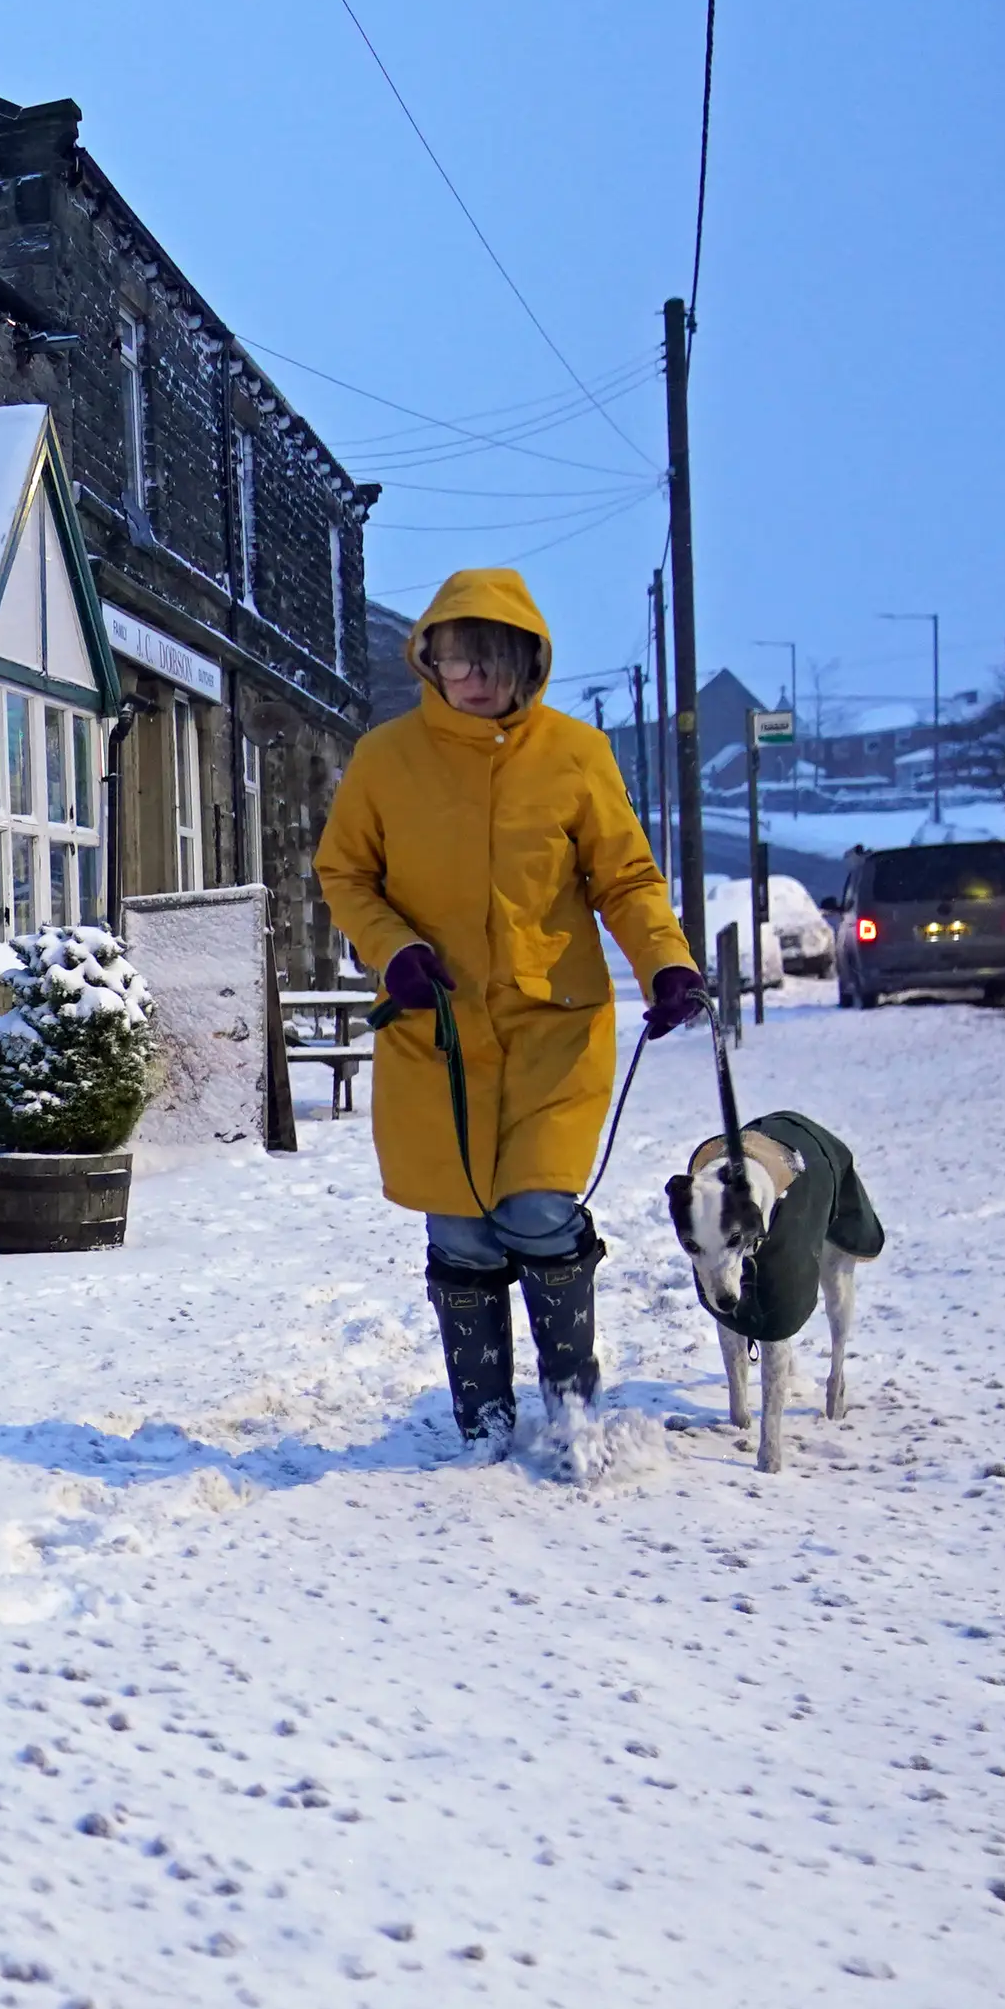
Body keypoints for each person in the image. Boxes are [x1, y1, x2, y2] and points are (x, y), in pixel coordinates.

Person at [316, 568, 705, 1447]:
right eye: (459, 659)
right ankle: (483, 1417)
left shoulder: (577, 754)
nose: (476, 677)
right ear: (432, 661)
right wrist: (395, 951)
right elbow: (345, 874)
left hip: (552, 1028)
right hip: (435, 1031)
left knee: (535, 1209)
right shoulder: (385, 760)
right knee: (460, 1226)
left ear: (527, 662)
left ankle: (571, 1400)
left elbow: (627, 876)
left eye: (494, 658)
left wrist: (667, 964)